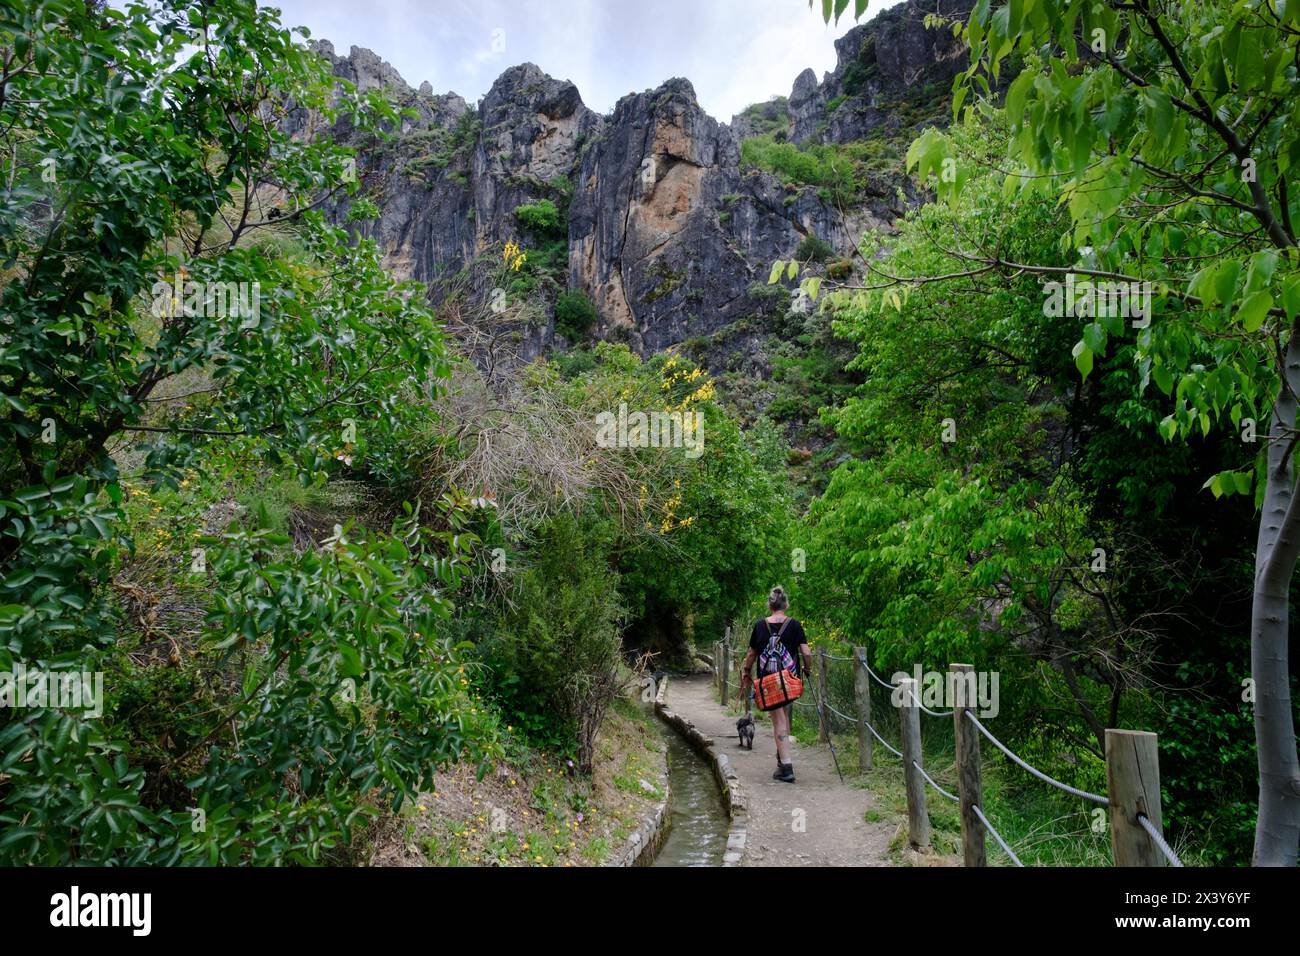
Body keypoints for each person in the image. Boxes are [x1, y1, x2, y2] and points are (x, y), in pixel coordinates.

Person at [740, 585, 812, 784]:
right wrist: (807, 669)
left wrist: (746, 671)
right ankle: (782, 759)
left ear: (770, 605)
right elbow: (806, 652)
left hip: (768, 682)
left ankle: (786, 767)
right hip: (790, 679)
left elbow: (751, 653)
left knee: (778, 719)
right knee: (783, 716)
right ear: (786, 604)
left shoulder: (760, 626)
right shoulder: (795, 625)